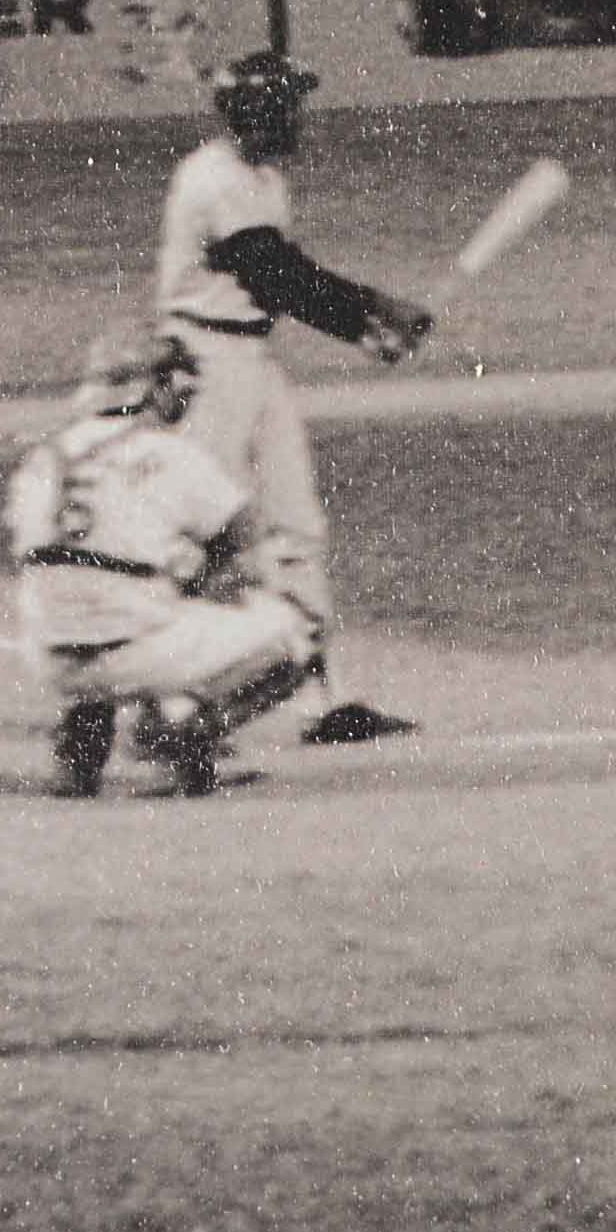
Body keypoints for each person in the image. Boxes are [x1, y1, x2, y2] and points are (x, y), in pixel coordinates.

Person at [154, 49, 434, 745]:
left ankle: (325, 699)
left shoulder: (263, 179)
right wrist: (373, 308)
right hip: (203, 364)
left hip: (247, 357)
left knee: (296, 524)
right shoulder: (213, 178)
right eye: (286, 106)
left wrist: (366, 331)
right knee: (196, 532)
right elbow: (273, 272)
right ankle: (157, 695)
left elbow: (278, 286)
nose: (298, 118)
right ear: (255, 112)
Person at [4, 324, 323, 798]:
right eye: (174, 383)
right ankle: (181, 735)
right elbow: (244, 532)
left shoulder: (43, 456)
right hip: (134, 648)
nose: (183, 395)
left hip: (46, 654)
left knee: (107, 584)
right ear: (151, 386)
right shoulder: (168, 452)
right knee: (297, 633)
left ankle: (81, 739)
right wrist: (198, 577)